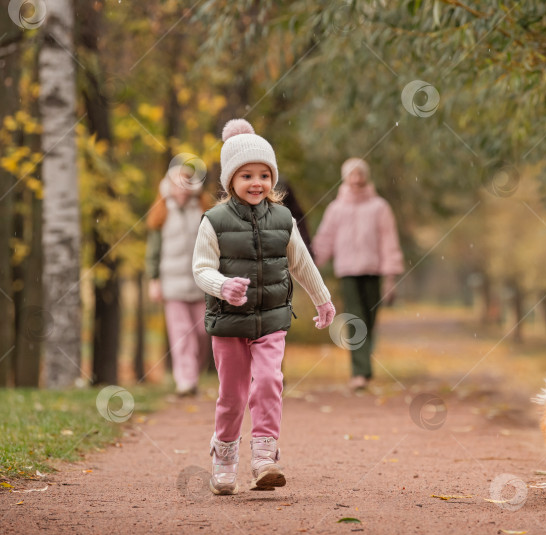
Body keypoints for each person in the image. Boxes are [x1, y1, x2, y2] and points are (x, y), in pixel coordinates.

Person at [192, 119, 336, 495]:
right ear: (230, 180)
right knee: (233, 395)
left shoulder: (283, 219)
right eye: (247, 176)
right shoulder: (214, 222)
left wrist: (322, 299)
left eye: (264, 175)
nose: (257, 183)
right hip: (229, 323)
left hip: (271, 320)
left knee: (270, 381)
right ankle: (224, 456)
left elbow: (302, 263)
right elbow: (200, 269)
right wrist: (222, 286)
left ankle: (264, 457)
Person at [312, 157, 404, 391]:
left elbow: (389, 242)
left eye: (359, 174)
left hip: (373, 271)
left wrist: (390, 277)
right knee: (355, 319)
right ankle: (360, 373)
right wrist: (309, 266)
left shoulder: (379, 207)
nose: (356, 178)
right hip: (347, 272)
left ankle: (364, 367)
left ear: (366, 176)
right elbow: (324, 240)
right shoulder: (336, 209)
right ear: (345, 178)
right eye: (351, 174)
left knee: (370, 321)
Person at [145, 165, 214, 396]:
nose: (181, 188)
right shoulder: (161, 211)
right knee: (182, 334)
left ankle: (194, 372)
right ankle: (186, 381)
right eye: (176, 184)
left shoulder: (204, 209)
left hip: (201, 283)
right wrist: (154, 280)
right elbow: (153, 251)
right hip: (172, 285)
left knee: (203, 332)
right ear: (169, 186)